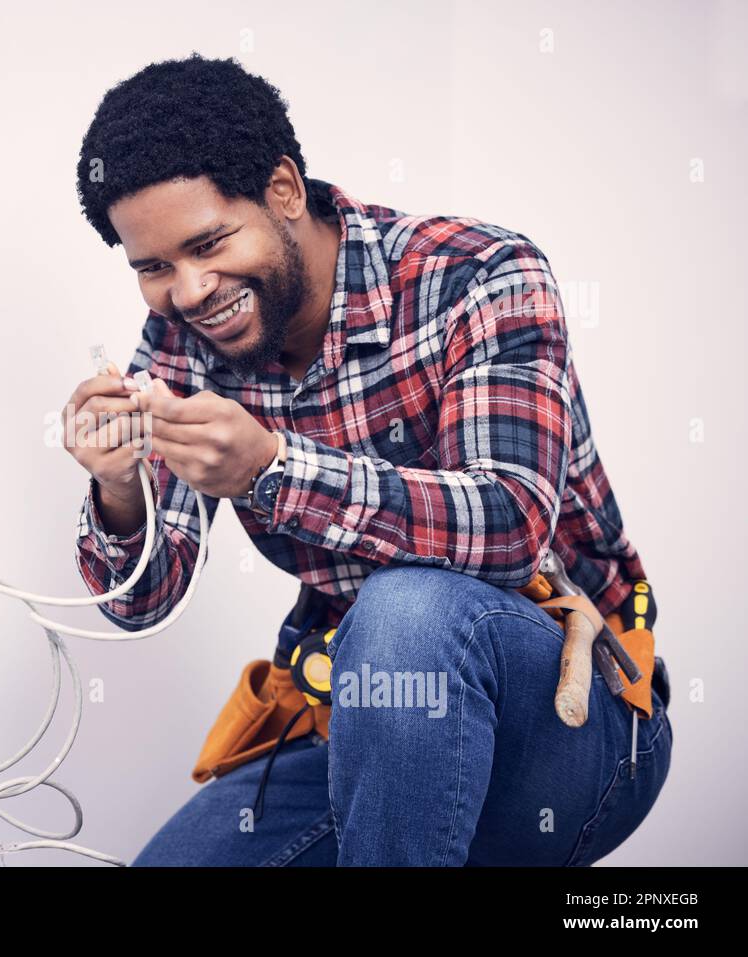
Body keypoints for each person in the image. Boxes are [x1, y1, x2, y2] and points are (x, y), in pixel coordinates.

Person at [60, 53, 671, 866]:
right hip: (365, 721)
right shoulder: (183, 335)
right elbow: (142, 603)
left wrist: (271, 467)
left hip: (574, 717)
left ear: (282, 190)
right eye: (154, 267)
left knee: (409, 608)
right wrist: (119, 487)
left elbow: (510, 527)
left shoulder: (482, 274)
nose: (192, 288)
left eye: (209, 242)